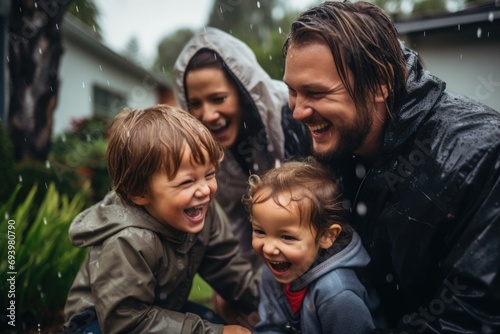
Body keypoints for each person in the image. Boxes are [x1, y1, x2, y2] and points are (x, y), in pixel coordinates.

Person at [282, 1, 500, 333]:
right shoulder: (335, 140)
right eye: (292, 91)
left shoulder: (481, 154)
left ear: (380, 84)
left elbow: (472, 316)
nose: (298, 111)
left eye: (315, 92)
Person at [63, 105, 259, 334]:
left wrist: (270, 305)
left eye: (209, 174)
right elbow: (125, 322)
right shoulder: (127, 241)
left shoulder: (201, 211)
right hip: (99, 323)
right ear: (139, 193)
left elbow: (227, 268)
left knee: (212, 319)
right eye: (187, 182)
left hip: (158, 309)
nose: (205, 190)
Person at [172, 27, 311, 271]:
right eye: (195, 104)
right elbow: (239, 216)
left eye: (218, 99)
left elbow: (316, 205)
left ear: (243, 92)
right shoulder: (213, 146)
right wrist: (245, 284)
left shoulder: (290, 116)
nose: (208, 115)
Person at [244, 157, 375, 333]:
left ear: (326, 236)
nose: (268, 248)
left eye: (286, 237)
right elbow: (271, 326)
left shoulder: (337, 294)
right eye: (260, 231)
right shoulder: (274, 270)